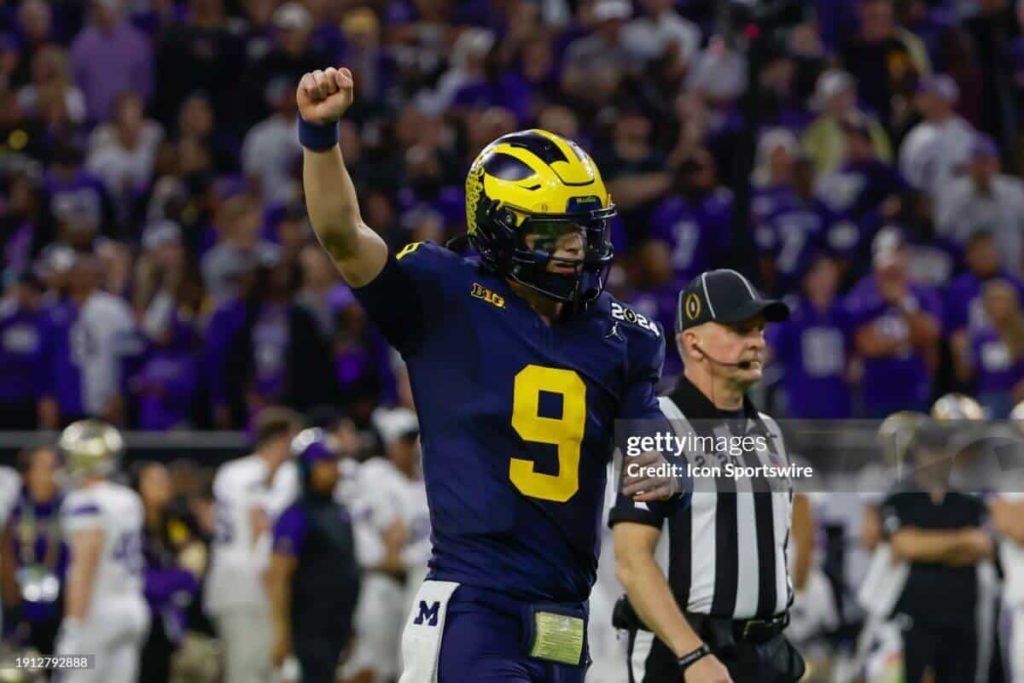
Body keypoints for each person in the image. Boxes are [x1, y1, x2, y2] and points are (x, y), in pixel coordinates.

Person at [296, 65, 679, 681]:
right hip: (475, 603)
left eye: (585, 230)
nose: (577, 249)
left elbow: (647, 434)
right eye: (555, 233)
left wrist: (665, 463)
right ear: (501, 232)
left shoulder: (625, 336)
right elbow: (344, 237)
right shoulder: (443, 295)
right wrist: (320, 137)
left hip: (566, 615)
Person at [610, 268, 805, 682]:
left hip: (767, 655)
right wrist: (692, 655)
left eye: (759, 330)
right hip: (685, 658)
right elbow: (632, 560)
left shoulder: (769, 431)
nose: (756, 341)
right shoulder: (656, 425)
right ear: (693, 343)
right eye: (738, 329)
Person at [203, 407, 302, 683]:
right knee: (250, 674)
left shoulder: (232, 471)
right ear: (283, 439)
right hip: (246, 587)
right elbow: (259, 528)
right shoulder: (261, 475)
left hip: (235, 584)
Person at [53, 419, 150, 683]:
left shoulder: (85, 502)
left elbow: (85, 566)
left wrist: (73, 627)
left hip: (98, 613)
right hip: (132, 608)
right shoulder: (128, 499)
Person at [268, 428, 360, 683]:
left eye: (335, 462)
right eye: (326, 463)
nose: (334, 470)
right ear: (306, 469)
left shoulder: (340, 512)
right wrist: (282, 631)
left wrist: (349, 625)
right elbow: (278, 575)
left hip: (337, 622)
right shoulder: (295, 515)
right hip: (309, 625)